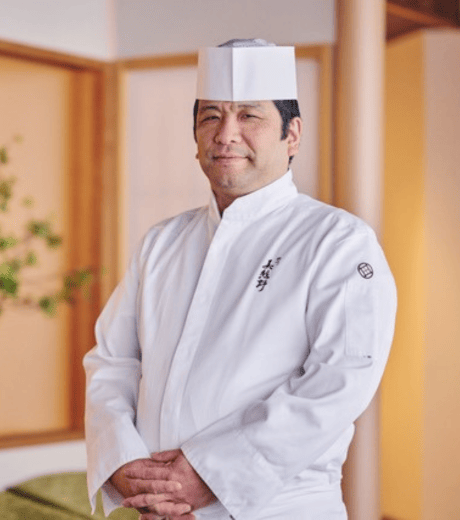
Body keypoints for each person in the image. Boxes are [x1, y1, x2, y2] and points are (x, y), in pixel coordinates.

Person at [84, 39, 397, 520]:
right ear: (194, 137)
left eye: (249, 116)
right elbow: (112, 361)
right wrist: (128, 465)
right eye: (210, 116)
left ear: (292, 135)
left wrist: (208, 473)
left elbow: (341, 378)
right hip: (157, 511)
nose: (226, 134)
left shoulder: (338, 241)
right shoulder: (162, 242)